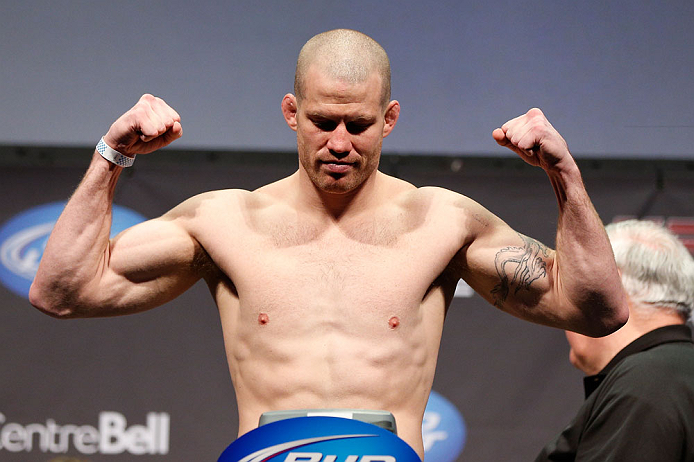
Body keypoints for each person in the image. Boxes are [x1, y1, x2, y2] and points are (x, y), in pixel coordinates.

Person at [29, 29, 628, 459]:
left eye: (359, 125)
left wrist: (564, 176)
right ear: (292, 112)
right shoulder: (225, 221)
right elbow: (61, 289)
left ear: (389, 120)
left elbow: (597, 310)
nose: (339, 142)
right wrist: (113, 154)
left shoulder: (441, 222)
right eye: (322, 121)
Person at [536, 219, 694, 461]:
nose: (562, 305)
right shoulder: (669, 375)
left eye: (571, 284)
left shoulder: (644, 383)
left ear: (606, 286)